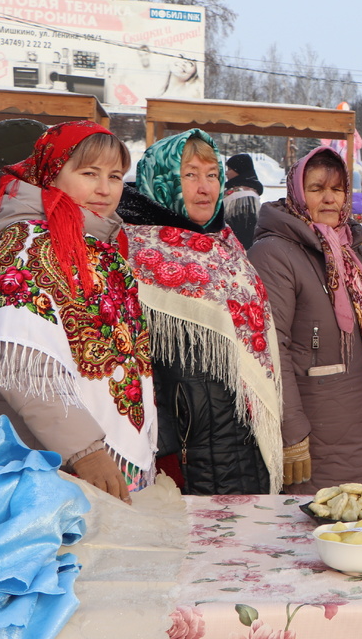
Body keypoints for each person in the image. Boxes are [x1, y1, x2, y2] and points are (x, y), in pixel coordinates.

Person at [0, 121, 156, 502]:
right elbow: (20, 360)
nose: (105, 188)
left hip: (91, 464)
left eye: (115, 176)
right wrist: (87, 451)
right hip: (42, 464)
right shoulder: (26, 243)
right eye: (88, 173)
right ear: (51, 173)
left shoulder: (101, 242)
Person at [119, 129, 282, 494]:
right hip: (188, 456)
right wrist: (166, 455)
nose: (205, 188)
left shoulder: (226, 246)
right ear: (160, 180)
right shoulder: (131, 254)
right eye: (189, 175)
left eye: (212, 175)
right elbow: (134, 366)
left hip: (246, 438)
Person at [248, 146, 362, 495]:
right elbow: (268, 348)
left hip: (359, 426)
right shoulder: (274, 253)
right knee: (314, 535)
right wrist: (291, 430)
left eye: (337, 189)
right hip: (315, 433)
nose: (329, 198)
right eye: (316, 188)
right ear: (296, 192)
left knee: (358, 535)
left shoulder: (352, 250)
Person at [223, 153, 264, 249]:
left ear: (239, 171)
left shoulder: (244, 197)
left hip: (236, 250)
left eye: (229, 169)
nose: (226, 173)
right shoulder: (246, 192)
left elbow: (245, 230)